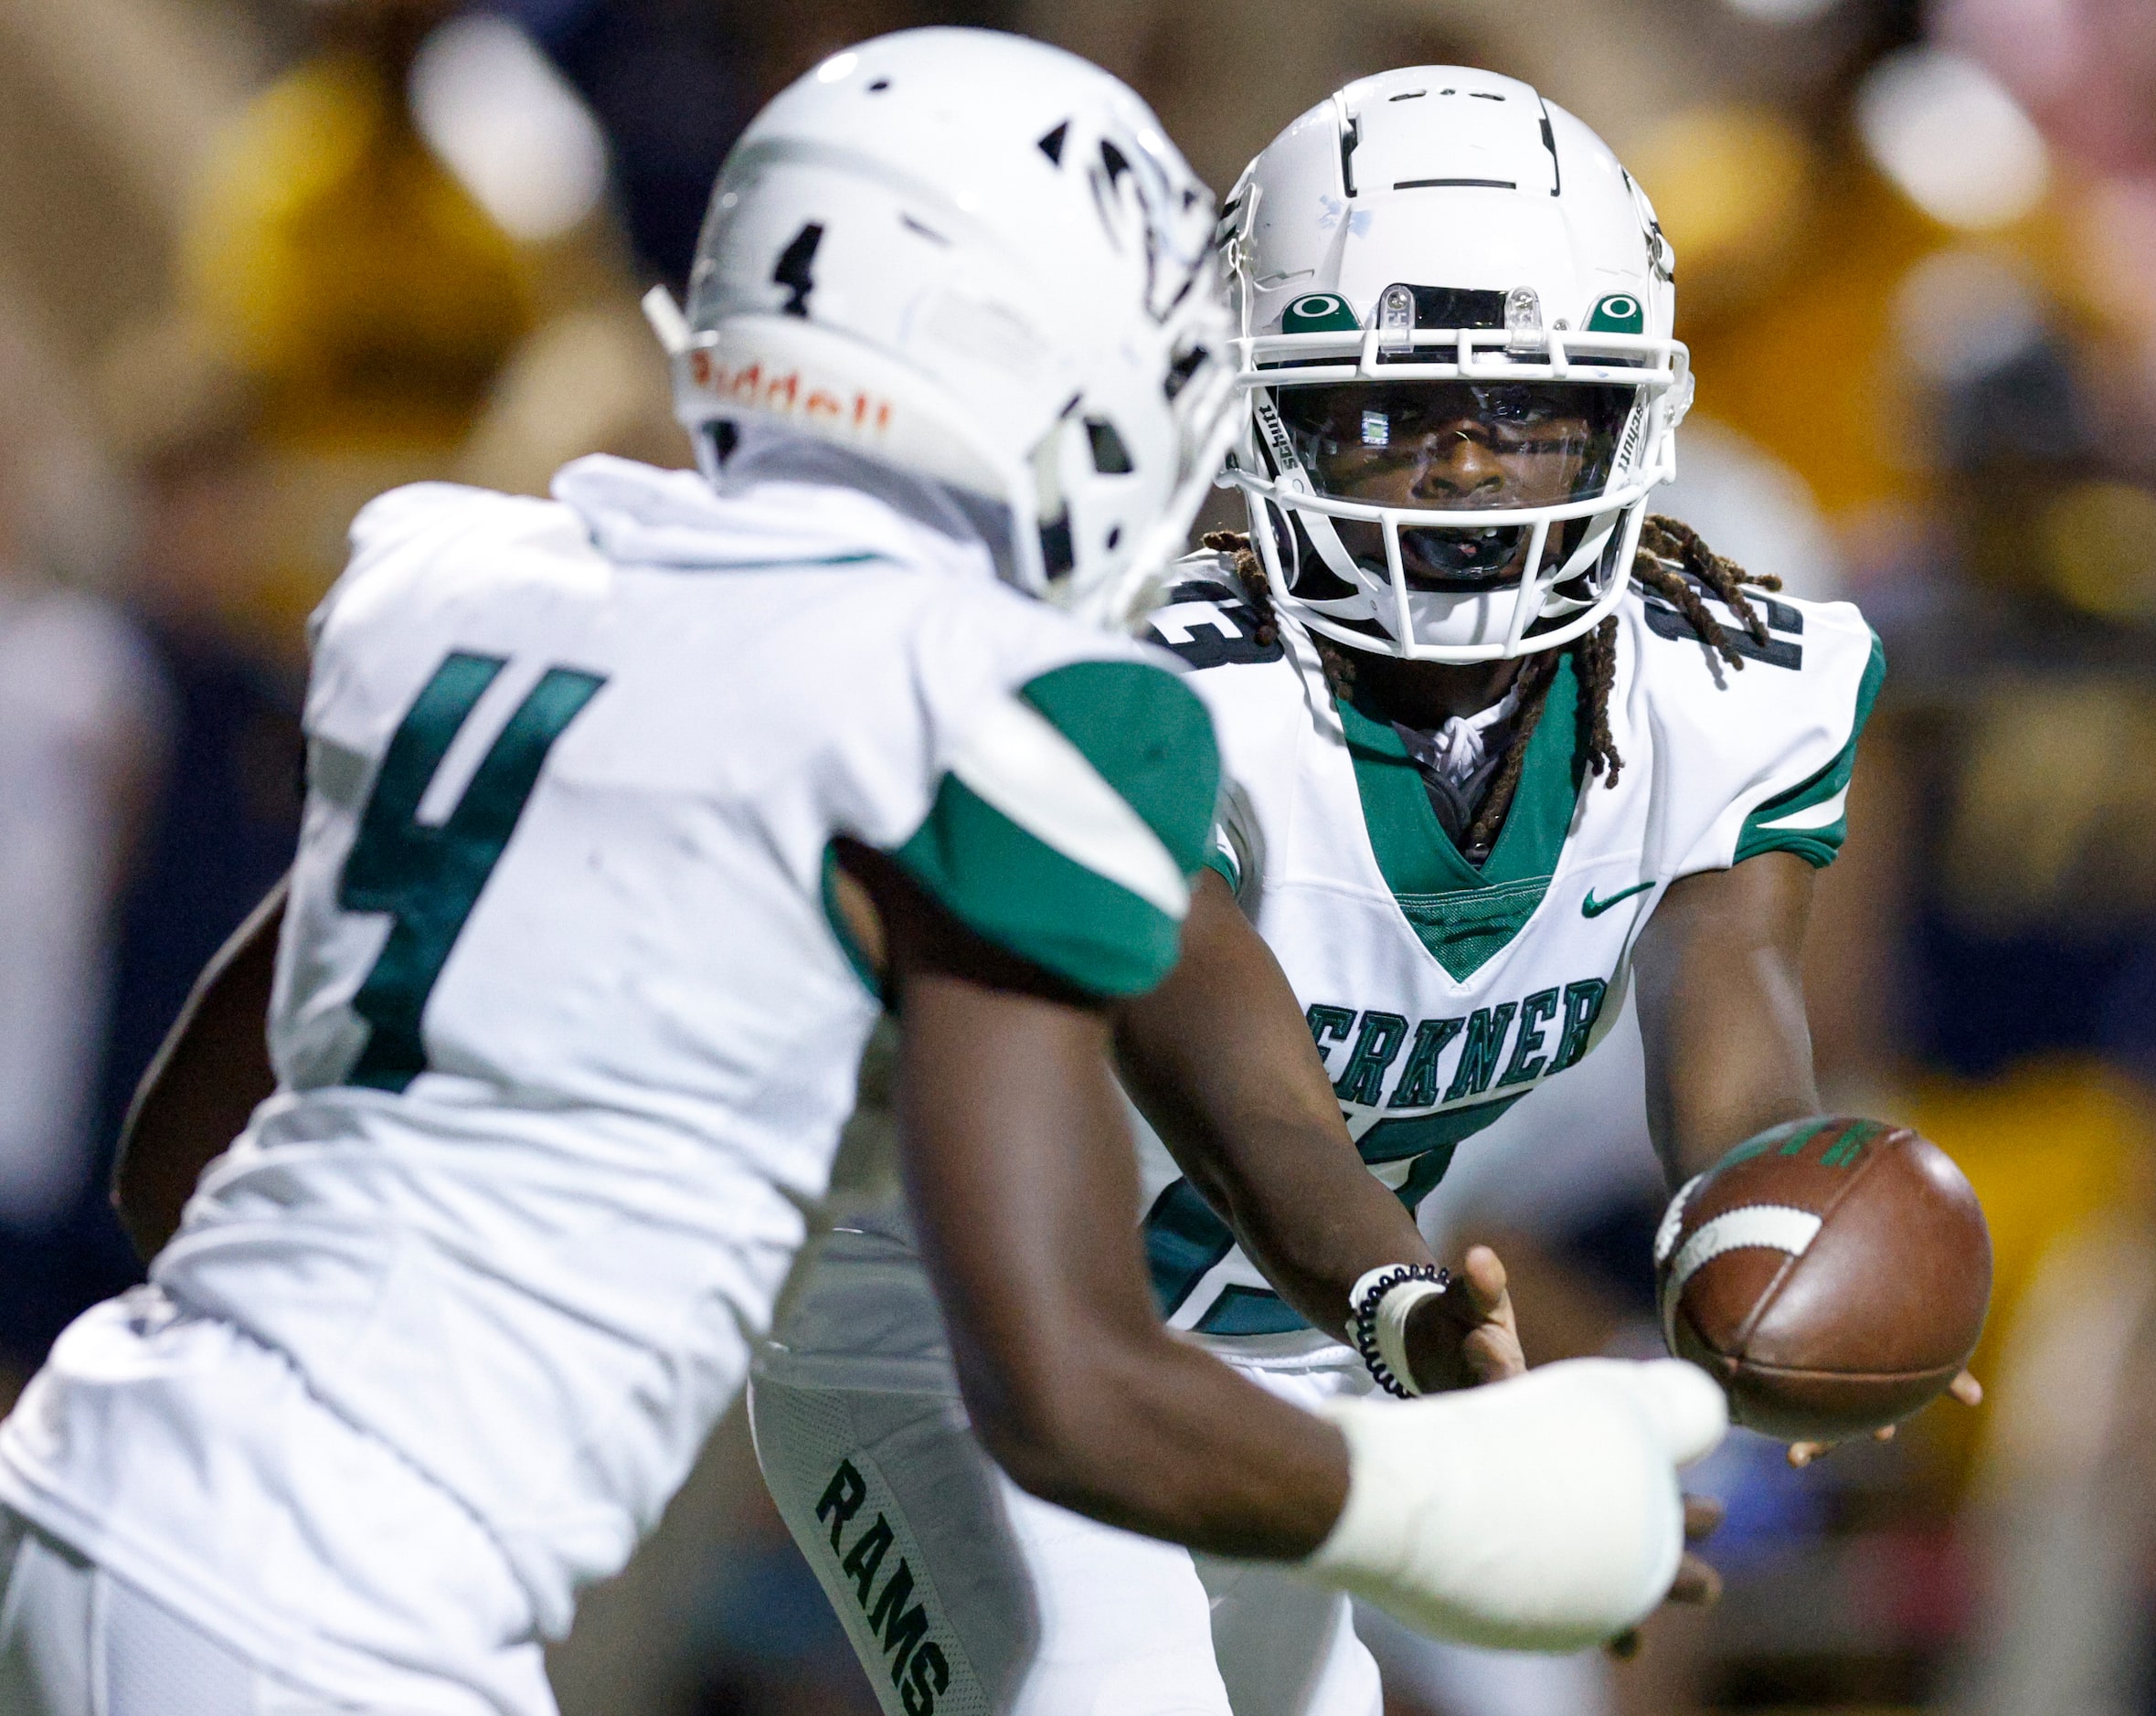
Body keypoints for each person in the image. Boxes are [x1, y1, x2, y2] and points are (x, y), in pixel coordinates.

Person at [0, 34, 1723, 1716]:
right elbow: (1068, 1393)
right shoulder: (993, 709)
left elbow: (186, 1169)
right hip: (344, 1598)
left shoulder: (503, 576)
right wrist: (1489, 1515)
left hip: (102, 1481)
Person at [754, 65, 1964, 1716]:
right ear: (1264, 412)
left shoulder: (1724, 689)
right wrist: (1411, 1319)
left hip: (1305, 1358)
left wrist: (1784, 1257)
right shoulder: (1156, 689)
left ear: (1631, 416)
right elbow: (1256, 1118)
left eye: (1526, 413)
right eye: (1388, 413)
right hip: (971, 1315)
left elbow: (1734, 1042)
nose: (1464, 472)